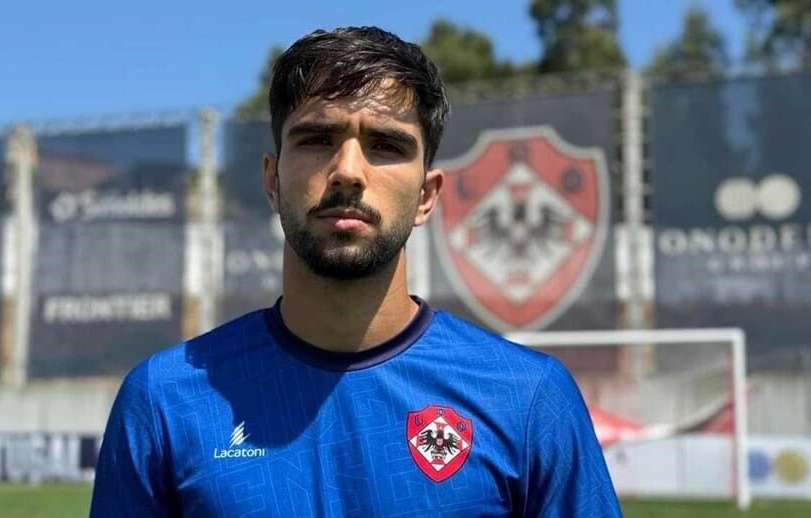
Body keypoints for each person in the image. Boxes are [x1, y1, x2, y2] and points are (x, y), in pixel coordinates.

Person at [91, 26, 621, 517]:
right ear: (273, 180)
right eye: (317, 139)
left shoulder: (526, 399)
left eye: (385, 145)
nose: (348, 171)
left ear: (427, 195)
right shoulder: (165, 401)